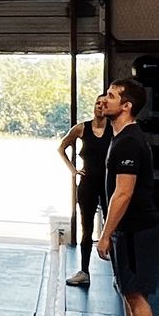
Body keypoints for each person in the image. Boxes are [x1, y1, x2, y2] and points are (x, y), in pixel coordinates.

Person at [94, 78, 159, 316]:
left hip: (136, 229)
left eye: (111, 96)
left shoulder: (130, 141)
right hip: (127, 229)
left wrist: (104, 234)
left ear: (126, 105)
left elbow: (123, 194)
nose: (104, 100)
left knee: (136, 295)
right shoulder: (121, 137)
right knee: (127, 290)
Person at [57, 93, 111, 288]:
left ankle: (118, 275)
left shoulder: (114, 129)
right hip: (87, 184)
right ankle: (84, 271)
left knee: (112, 229)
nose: (100, 106)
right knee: (86, 228)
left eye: (104, 103)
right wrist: (73, 170)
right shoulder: (81, 128)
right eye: (97, 103)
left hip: (107, 185)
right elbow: (61, 148)